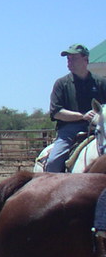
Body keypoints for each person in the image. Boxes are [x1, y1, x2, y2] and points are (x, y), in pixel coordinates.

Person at [45, 44, 106, 173]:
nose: (69, 62)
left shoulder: (101, 82)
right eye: (68, 59)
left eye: (73, 58)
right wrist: (82, 116)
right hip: (69, 131)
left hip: (100, 128)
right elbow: (56, 112)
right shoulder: (62, 84)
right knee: (53, 162)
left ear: (85, 59)